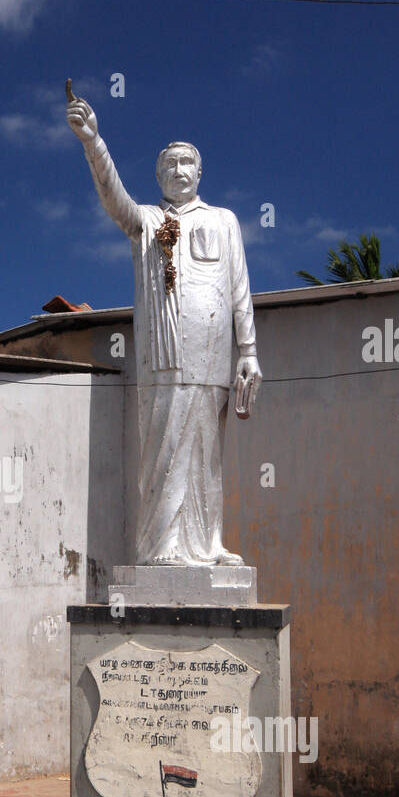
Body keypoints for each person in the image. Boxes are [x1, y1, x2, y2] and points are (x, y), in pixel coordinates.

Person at [66, 85, 262, 566]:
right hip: (165, 355)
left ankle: (208, 543)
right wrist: (94, 142)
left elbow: (239, 288)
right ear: (159, 175)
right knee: (165, 447)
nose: (179, 171)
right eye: (170, 165)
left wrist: (249, 352)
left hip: (213, 354)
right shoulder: (148, 221)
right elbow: (115, 200)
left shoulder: (224, 220)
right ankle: (162, 548)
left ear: (200, 172)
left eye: (186, 164)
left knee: (206, 454)